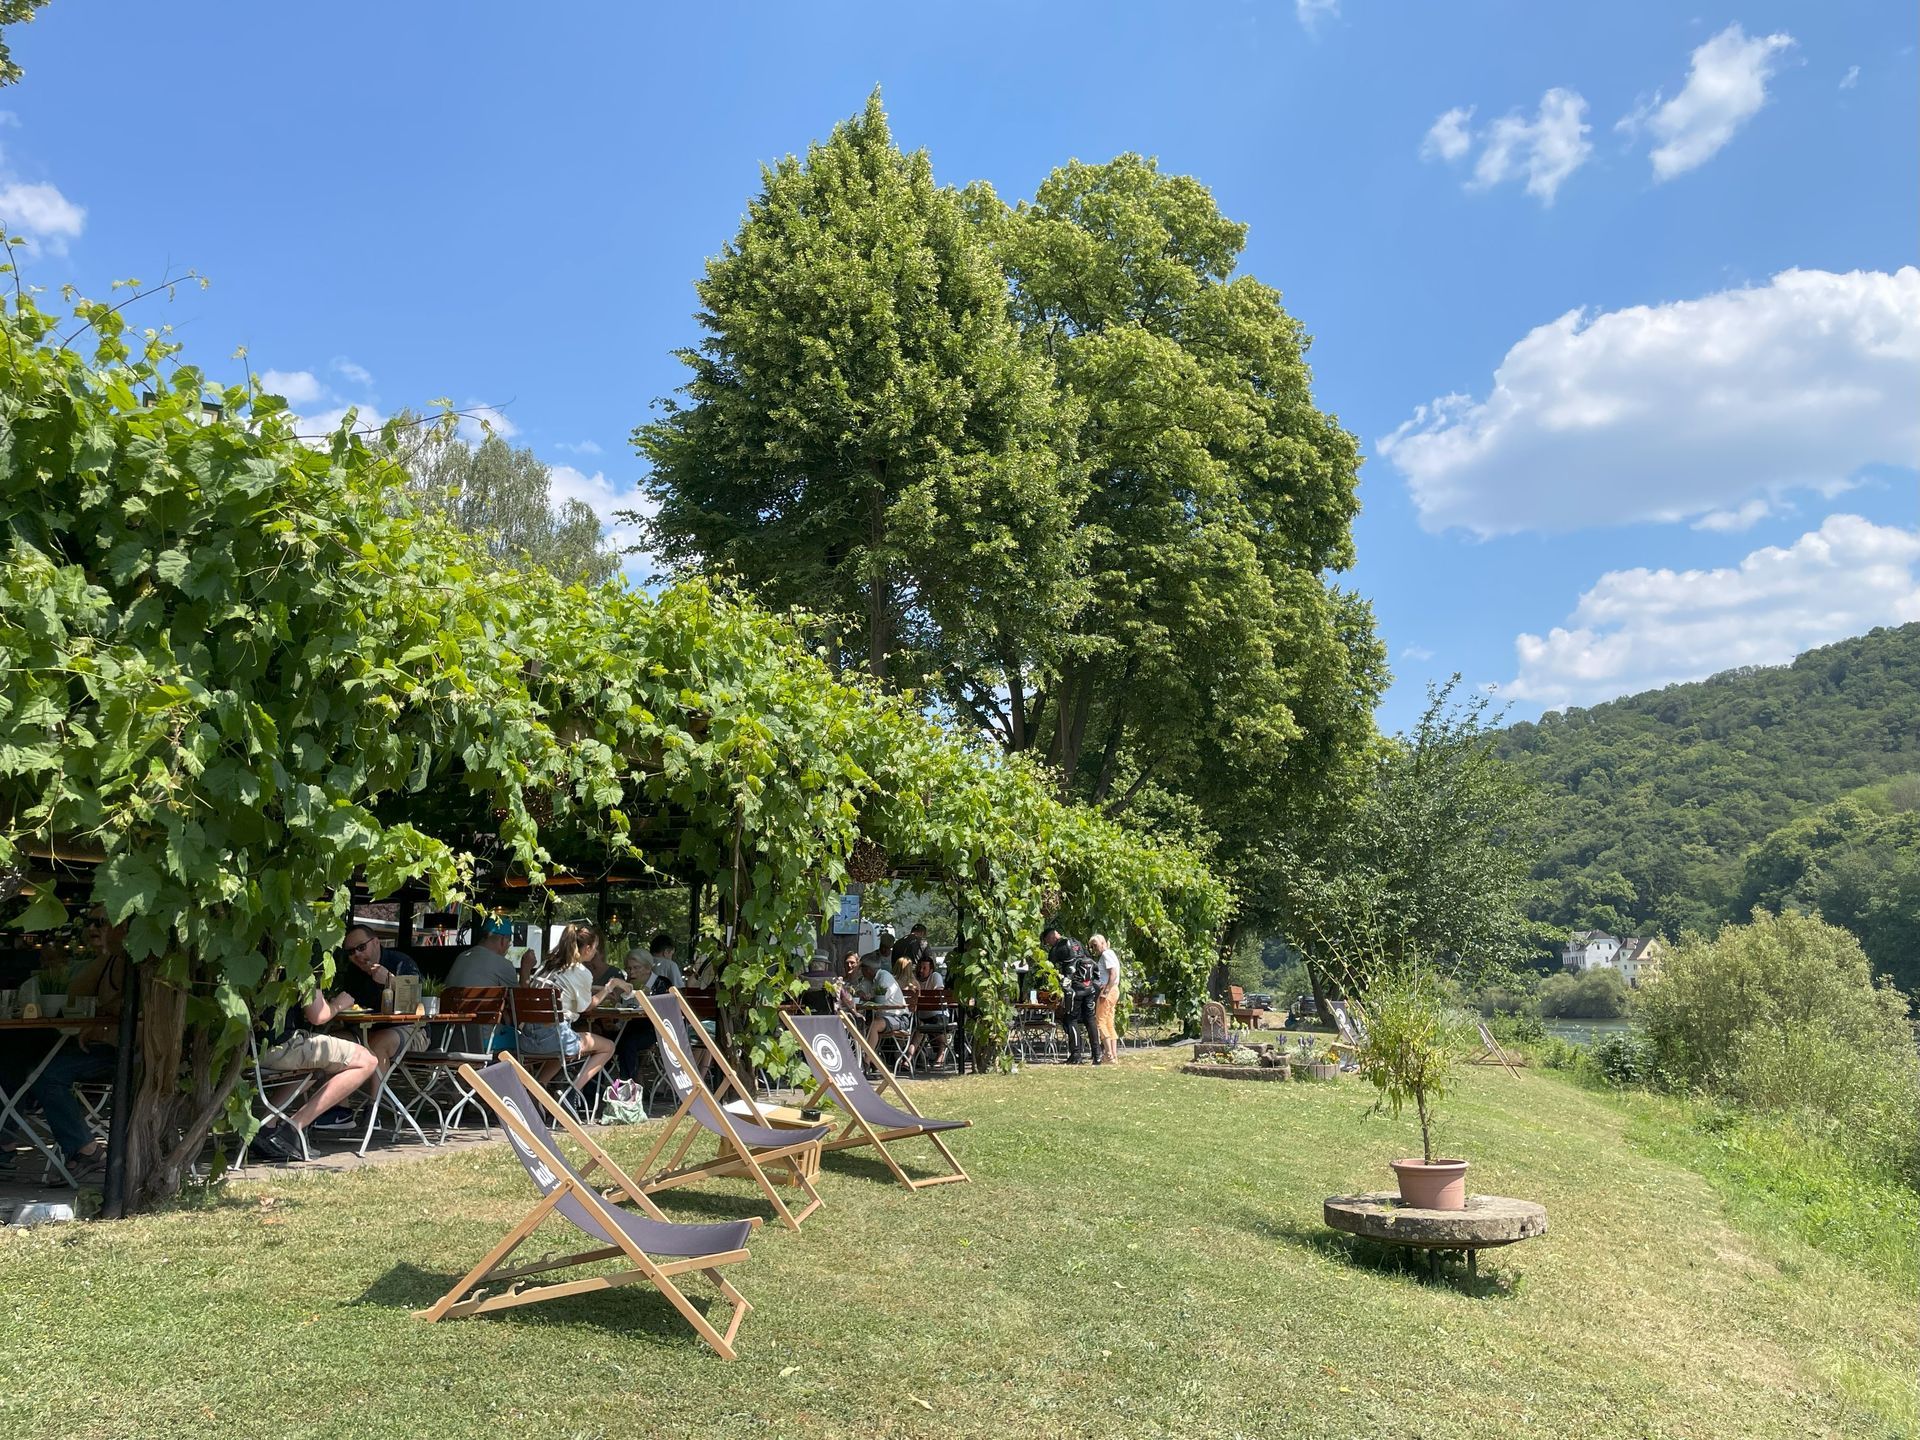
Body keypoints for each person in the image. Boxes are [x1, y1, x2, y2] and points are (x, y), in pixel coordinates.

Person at [24, 907, 131, 1183]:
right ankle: (10, 1137)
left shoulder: (143, 962)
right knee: (25, 1058)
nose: (93, 929)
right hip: (102, 1047)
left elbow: (140, 1016)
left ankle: (86, 1150)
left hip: (127, 1053)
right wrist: (104, 955)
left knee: (47, 1074)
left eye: (101, 922)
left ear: (124, 924)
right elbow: (73, 995)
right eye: (90, 923)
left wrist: (102, 1028)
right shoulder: (109, 962)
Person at [251, 962, 385, 1163]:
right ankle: (294, 1128)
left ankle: (266, 1126)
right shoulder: (303, 959)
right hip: (283, 1046)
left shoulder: (261, 956)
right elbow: (318, 1016)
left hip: (250, 1051)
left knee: (316, 1064)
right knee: (367, 1060)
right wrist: (340, 1004)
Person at [518, 922, 615, 1100]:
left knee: (562, 1046)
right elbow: (587, 1007)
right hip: (555, 1039)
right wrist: (609, 988)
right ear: (587, 948)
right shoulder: (581, 972)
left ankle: (538, 1089)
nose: (595, 952)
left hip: (527, 1039)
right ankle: (571, 1093)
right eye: (595, 948)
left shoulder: (547, 966)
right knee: (608, 1047)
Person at [1043, 926, 1100, 1065]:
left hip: (1074, 989)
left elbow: (1049, 967)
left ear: (1051, 937)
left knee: (1071, 1019)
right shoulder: (1076, 942)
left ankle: (1076, 1054)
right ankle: (1097, 1055)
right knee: (1090, 1019)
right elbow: (1088, 958)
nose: (1048, 944)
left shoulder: (1059, 946)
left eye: (1047, 941)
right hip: (1089, 986)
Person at [855, 949, 912, 1068]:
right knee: (860, 1025)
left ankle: (866, 1062)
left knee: (875, 1025)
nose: (860, 971)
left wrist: (866, 997)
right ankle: (872, 1061)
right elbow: (860, 992)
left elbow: (878, 999)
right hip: (884, 1017)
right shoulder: (869, 979)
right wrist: (860, 992)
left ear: (868, 969)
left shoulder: (884, 977)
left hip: (899, 1018)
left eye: (862, 968)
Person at [909, 949, 953, 1070]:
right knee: (918, 1031)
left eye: (924, 968)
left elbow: (938, 992)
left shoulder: (935, 976)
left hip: (937, 1016)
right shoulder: (915, 979)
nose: (921, 970)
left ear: (931, 970)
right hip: (922, 1018)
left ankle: (940, 1054)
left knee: (929, 1029)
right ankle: (908, 1058)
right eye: (920, 967)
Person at [1090, 933, 1122, 1064]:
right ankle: (1113, 1055)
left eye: (1095, 945)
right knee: (1109, 1022)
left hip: (1108, 990)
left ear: (1103, 943)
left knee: (1100, 1022)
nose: (1094, 949)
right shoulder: (1111, 953)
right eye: (1092, 946)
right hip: (1114, 990)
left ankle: (1108, 1054)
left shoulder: (1106, 955)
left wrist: (1105, 991)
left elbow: (1113, 974)